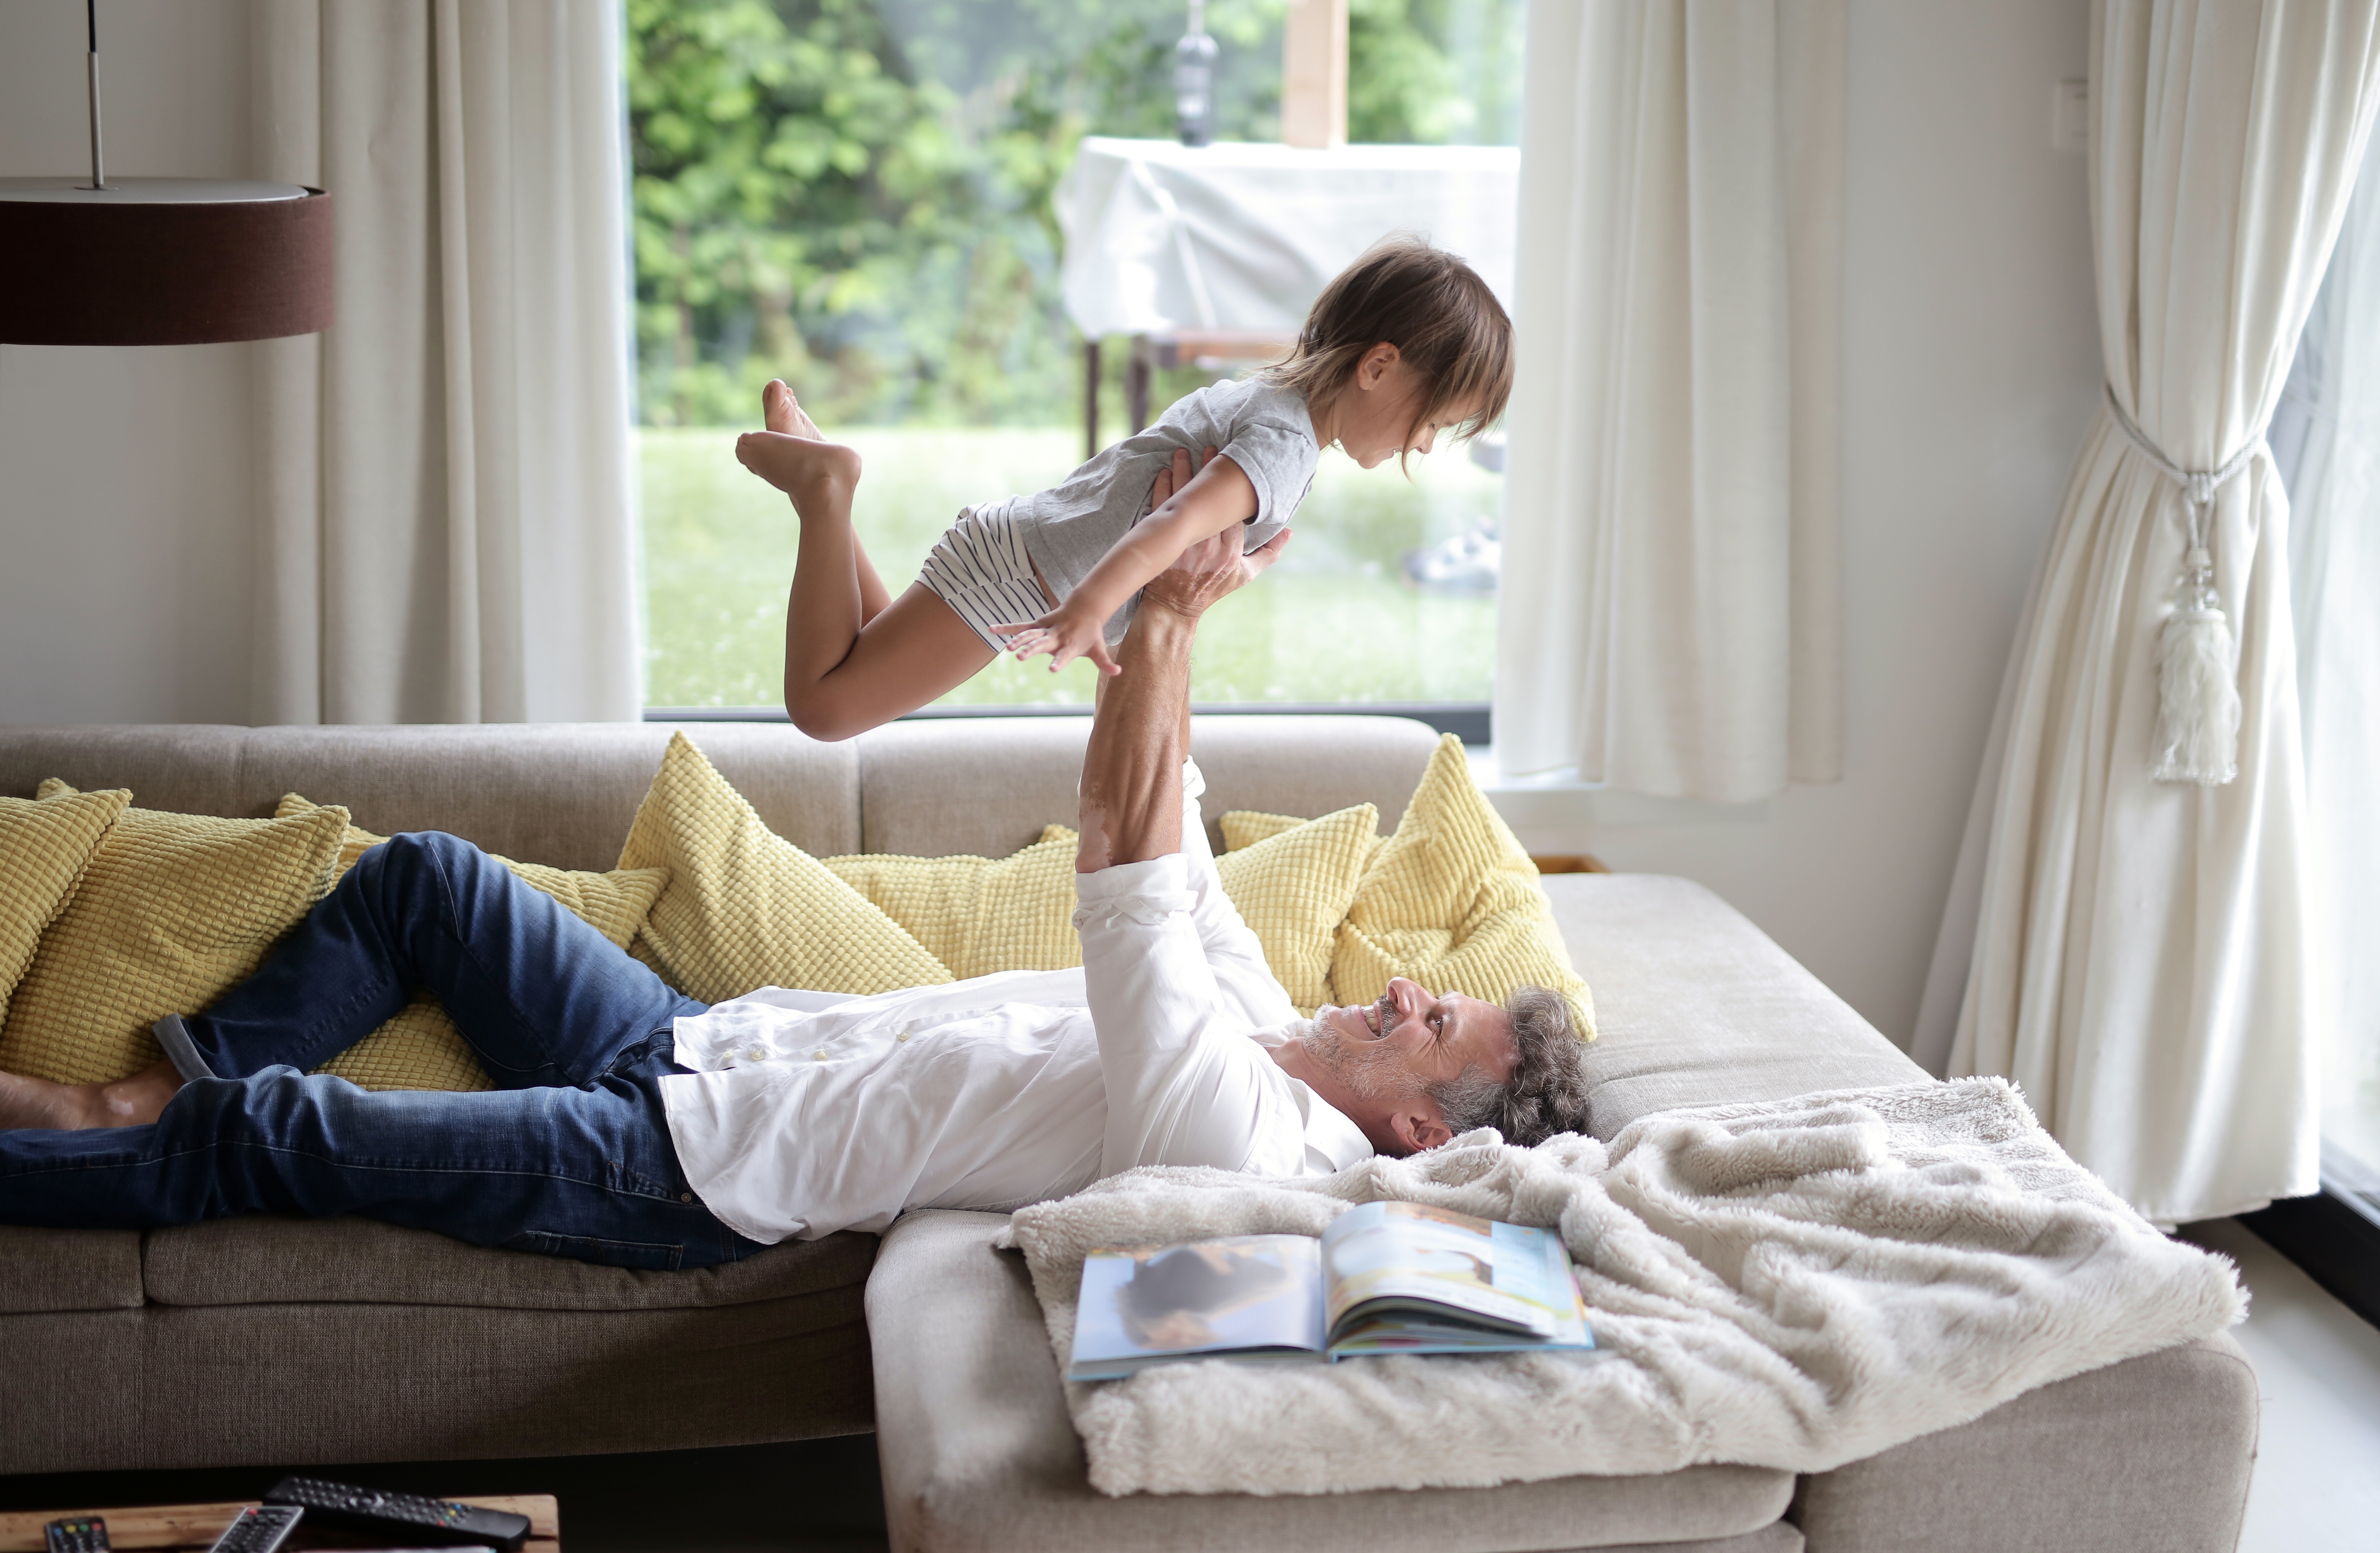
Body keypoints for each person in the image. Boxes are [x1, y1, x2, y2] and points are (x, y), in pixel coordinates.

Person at [0, 453, 1585, 1269]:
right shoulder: (1266, 1025)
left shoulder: (1241, 1133)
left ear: (1409, 1131)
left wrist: (1160, 618)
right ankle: (148, 1086)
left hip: (684, 1174)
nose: (1408, 990)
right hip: (695, 1046)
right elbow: (1168, 823)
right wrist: (1154, 594)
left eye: (1439, 1024)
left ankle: (91, 1125)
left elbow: (1113, 862)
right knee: (428, 878)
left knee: (283, 1133)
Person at [737, 235, 1514, 741]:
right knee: (826, 708)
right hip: (1030, 579)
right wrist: (1091, 609)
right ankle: (824, 489)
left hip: (1017, 547)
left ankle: (819, 467)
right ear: (1378, 367)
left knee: (869, 658)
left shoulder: (1264, 396)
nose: (1423, 445)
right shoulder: (1285, 450)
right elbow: (1174, 519)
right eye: (1432, 422)